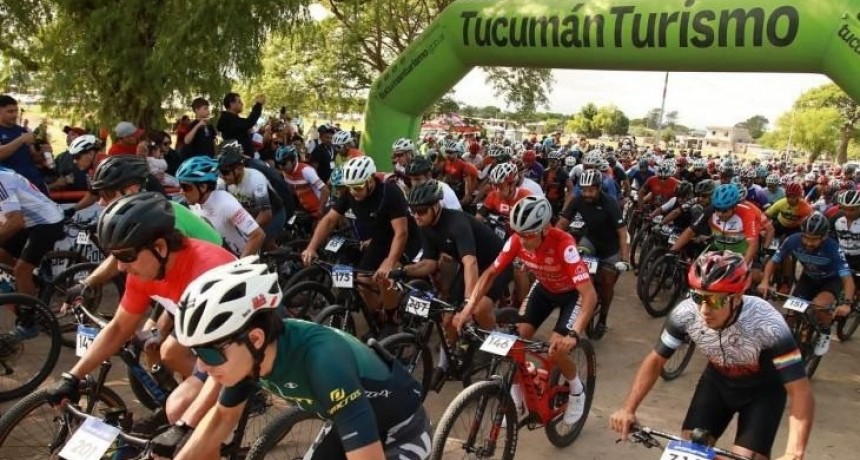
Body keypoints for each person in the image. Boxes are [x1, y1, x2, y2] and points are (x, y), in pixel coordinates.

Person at [163, 259, 430, 460]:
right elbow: (222, 418)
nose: (202, 366)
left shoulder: (322, 361)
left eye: (209, 353)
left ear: (255, 338)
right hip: (351, 420)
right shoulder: (248, 359)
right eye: (196, 353)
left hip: (401, 429)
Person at [46, 193, 237, 433]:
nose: (120, 267)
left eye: (126, 256)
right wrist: (73, 377)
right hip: (204, 329)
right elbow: (119, 327)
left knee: (179, 409)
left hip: (242, 343)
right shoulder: (143, 270)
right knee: (173, 369)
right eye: (115, 257)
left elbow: (231, 357)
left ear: (160, 247)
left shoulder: (208, 273)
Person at [611, 251, 814, 460]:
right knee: (690, 448)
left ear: (737, 297)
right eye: (698, 297)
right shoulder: (686, 313)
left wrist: (794, 452)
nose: (704, 310)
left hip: (762, 393)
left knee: (743, 457)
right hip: (717, 384)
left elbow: (800, 390)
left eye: (715, 301)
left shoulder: (768, 324)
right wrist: (628, 409)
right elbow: (656, 360)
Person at [457, 195, 597, 426]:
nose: (522, 240)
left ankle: (576, 389)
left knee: (555, 350)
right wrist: (468, 308)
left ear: (545, 229)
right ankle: (516, 395)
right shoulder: (516, 240)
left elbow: (589, 295)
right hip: (543, 289)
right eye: (518, 233)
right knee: (513, 343)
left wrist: (575, 333)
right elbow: (490, 274)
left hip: (572, 295)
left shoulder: (564, 244)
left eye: (528, 235)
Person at [398, 180, 512, 381]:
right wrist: (402, 271)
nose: (416, 215)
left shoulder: (456, 223)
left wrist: (468, 302)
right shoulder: (425, 225)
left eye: (421, 211)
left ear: (436, 206)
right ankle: (448, 363)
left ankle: (492, 337)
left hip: (495, 265)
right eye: (413, 211)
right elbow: (429, 263)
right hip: (472, 265)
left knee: (479, 308)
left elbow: (470, 263)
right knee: (447, 318)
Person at [302, 156, 422, 323]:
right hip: (380, 239)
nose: (353, 192)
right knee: (362, 280)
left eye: (358, 187)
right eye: (349, 187)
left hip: (406, 239)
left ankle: (392, 318)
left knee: (386, 278)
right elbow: (329, 220)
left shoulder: (390, 193)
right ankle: (378, 314)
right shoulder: (351, 192)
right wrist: (311, 247)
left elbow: (401, 232)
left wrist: (389, 262)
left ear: (370, 180)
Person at [758, 212, 854, 356]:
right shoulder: (792, 240)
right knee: (791, 314)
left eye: (814, 239)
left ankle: (825, 333)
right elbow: (774, 261)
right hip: (808, 278)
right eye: (806, 237)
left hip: (830, 281)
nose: (809, 242)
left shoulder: (833, 248)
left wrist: (847, 303)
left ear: (824, 237)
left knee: (819, 306)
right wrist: (765, 282)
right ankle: (785, 349)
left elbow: (847, 279)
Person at [556, 169, 631, 334]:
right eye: (584, 190)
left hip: (611, 247)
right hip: (590, 241)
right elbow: (562, 224)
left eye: (591, 190)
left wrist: (625, 258)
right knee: (577, 266)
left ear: (599, 188)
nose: (587, 194)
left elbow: (622, 233)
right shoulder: (578, 200)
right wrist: (551, 244)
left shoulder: (610, 203)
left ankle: (603, 317)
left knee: (607, 285)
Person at [176, 156, 264, 257]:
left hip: (243, 258)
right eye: (180, 186)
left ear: (203, 187)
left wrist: (240, 263)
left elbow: (258, 235)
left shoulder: (225, 204)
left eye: (185, 187)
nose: (181, 191)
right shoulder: (196, 205)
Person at [0, 167, 64, 302]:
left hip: (47, 221)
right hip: (28, 222)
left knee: (21, 271)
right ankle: (33, 282)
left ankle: (31, 312)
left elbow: (16, 221)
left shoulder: (1, 179)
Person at [217, 141, 287, 250]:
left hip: (274, 214)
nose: (222, 176)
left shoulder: (255, 179)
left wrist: (247, 232)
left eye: (225, 172)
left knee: (262, 244)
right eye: (219, 172)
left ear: (239, 168)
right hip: (254, 212)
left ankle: (283, 258)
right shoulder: (224, 182)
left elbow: (266, 214)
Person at [0, 94, 47, 194]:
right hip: (12, 187)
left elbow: (35, 158)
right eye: (10, 111)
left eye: (16, 111)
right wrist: (21, 140)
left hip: (34, 182)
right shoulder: (22, 135)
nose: (14, 115)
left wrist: (42, 152)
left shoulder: (22, 130)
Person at [275, 144, 329, 219]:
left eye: (283, 163)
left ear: (293, 160)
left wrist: (320, 210)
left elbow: (325, 190)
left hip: (320, 209)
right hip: (306, 210)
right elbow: (292, 191)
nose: (281, 167)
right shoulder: (286, 172)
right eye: (278, 164)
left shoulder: (306, 171)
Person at [216, 92, 264, 159]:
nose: (242, 103)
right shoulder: (227, 120)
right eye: (239, 101)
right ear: (231, 104)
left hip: (244, 159)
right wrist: (258, 105)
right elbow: (249, 122)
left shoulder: (232, 119)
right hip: (239, 161)